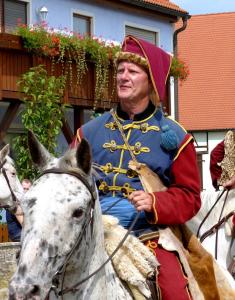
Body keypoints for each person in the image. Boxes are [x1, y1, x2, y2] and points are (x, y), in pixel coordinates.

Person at [72, 35, 201, 299]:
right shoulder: (88, 132)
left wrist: (156, 202)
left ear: (151, 79)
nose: (123, 76)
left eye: (132, 71)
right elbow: (70, 184)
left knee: (175, 291)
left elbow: (190, 197)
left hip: (148, 235)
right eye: (120, 71)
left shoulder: (176, 136)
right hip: (91, 235)